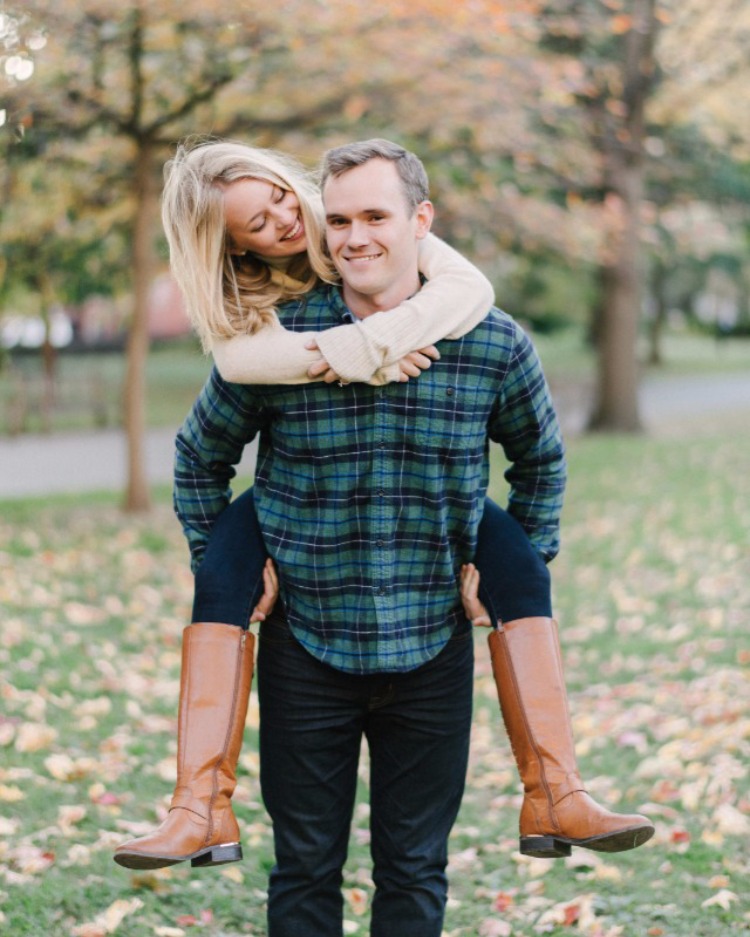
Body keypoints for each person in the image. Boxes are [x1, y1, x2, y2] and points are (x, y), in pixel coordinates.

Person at [113, 140, 653, 888]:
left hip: (434, 578)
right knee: (223, 572)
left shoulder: (445, 297)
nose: (285, 223)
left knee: (522, 568)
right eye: (258, 226)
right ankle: (198, 802)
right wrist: (345, 354)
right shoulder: (258, 315)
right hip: (302, 582)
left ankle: (556, 791)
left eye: (279, 199)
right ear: (235, 250)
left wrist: (387, 335)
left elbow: (476, 306)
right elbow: (217, 416)